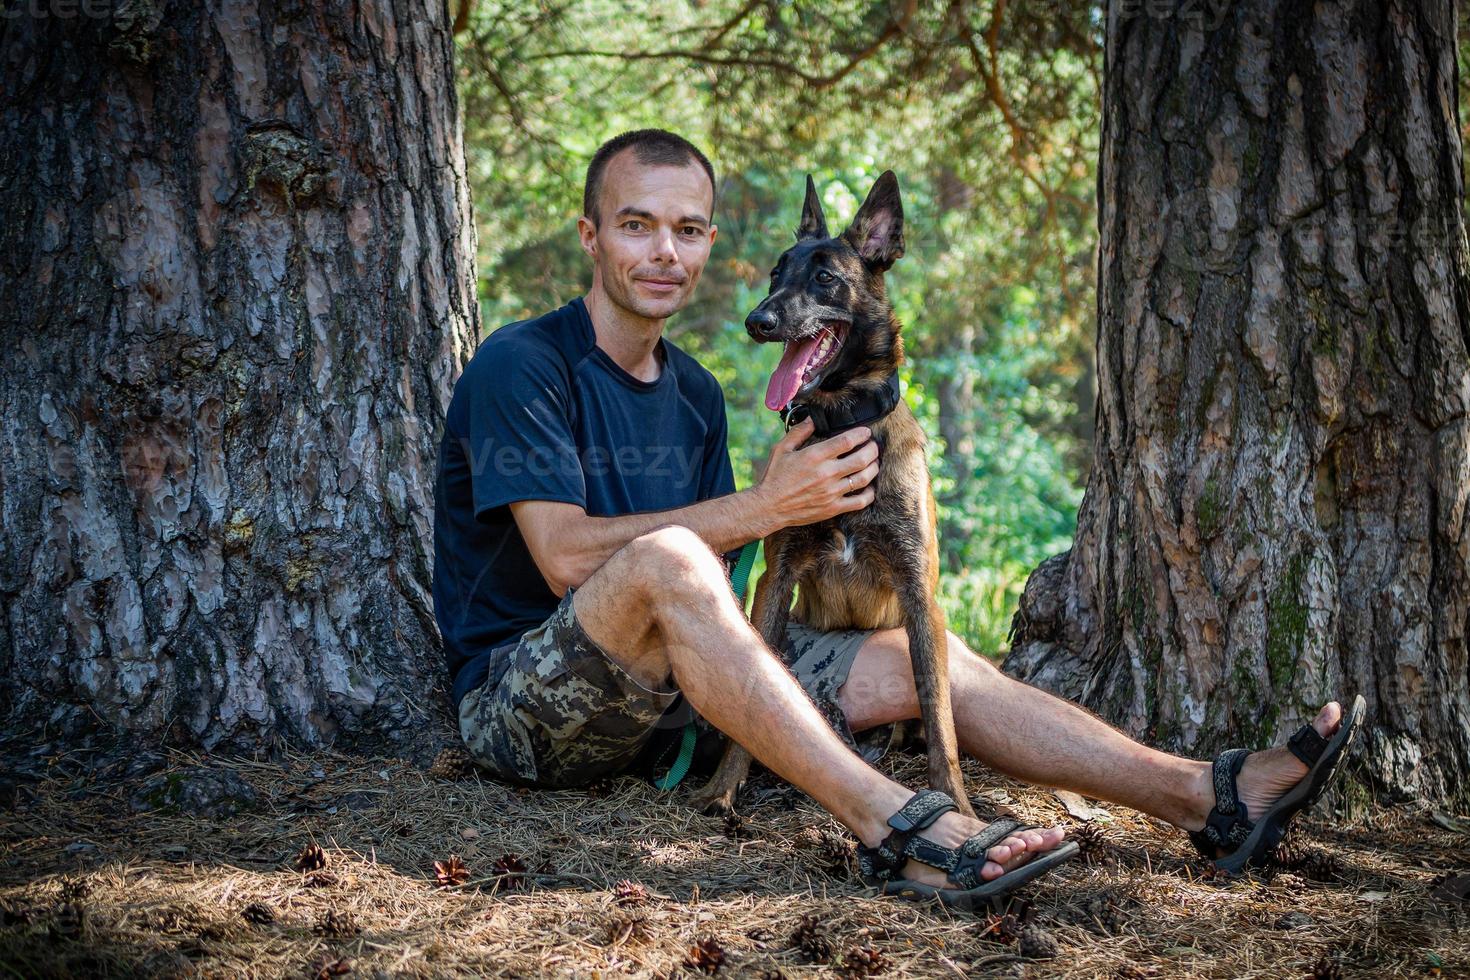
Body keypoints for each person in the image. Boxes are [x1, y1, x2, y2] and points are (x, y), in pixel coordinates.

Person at [432, 128, 1358, 901]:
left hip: (680, 696)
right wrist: (762, 506)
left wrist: (781, 528)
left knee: (929, 657)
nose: (664, 252)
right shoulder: (525, 364)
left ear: (711, 244)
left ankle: (1208, 796)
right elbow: (562, 561)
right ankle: (897, 825)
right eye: (637, 226)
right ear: (592, 236)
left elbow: (726, 579)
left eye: (687, 229)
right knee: (674, 554)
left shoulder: (700, 396)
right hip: (529, 703)